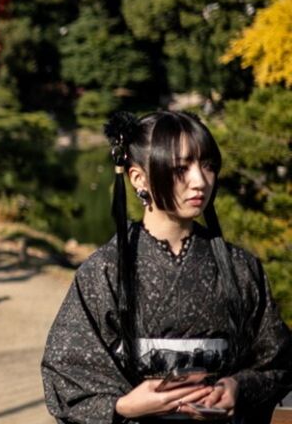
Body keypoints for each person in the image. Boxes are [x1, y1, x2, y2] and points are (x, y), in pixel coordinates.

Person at [41, 111, 291, 423]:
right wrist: (123, 406)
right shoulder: (104, 271)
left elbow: (277, 359)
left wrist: (237, 387)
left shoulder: (241, 267)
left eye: (208, 165)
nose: (200, 181)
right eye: (180, 168)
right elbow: (67, 370)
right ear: (138, 178)